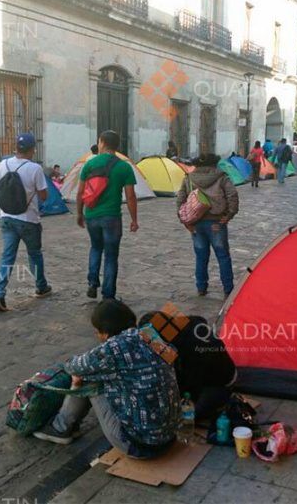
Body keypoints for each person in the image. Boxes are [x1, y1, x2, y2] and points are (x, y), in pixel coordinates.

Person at [34, 299, 180, 459]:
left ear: (104, 332)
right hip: (170, 436)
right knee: (105, 373)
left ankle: (60, 428)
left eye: (97, 331)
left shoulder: (112, 349)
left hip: (140, 446)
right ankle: (66, 425)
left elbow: (72, 367)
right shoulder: (150, 335)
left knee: (89, 376)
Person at [0, 133, 51, 312]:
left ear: (16, 148)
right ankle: (41, 286)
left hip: (6, 217)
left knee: (7, 256)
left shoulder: (3, 164)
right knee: (34, 254)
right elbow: (44, 195)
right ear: (32, 150)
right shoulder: (35, 168)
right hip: (28, 219)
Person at [138, 311, 236, 422]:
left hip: (218, 383)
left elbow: (189, 380)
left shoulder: (196, 347)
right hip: (194, 374)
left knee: (187, 417)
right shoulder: (179, 327)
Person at [77, 130, 138, 300]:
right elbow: (130, 196)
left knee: (96, 247)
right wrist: (134, 219)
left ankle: (92, 283)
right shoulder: (124, 167)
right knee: (111, 255)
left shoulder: (89, 164)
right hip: (112, 217)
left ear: (102, 142)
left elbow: (80, 192)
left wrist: (79, 213)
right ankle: (108, 295)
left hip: (91, 215)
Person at [176, 154, 238, 296]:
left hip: (196, 223)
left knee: (201, 256)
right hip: (216, 222)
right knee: (223, 256)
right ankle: (228, 289)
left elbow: (180, 199)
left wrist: (184, 221)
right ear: (214, 164)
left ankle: (201, 287)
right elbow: (232, 195)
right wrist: (229, 215)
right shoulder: (222, 177)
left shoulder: (189, 178)